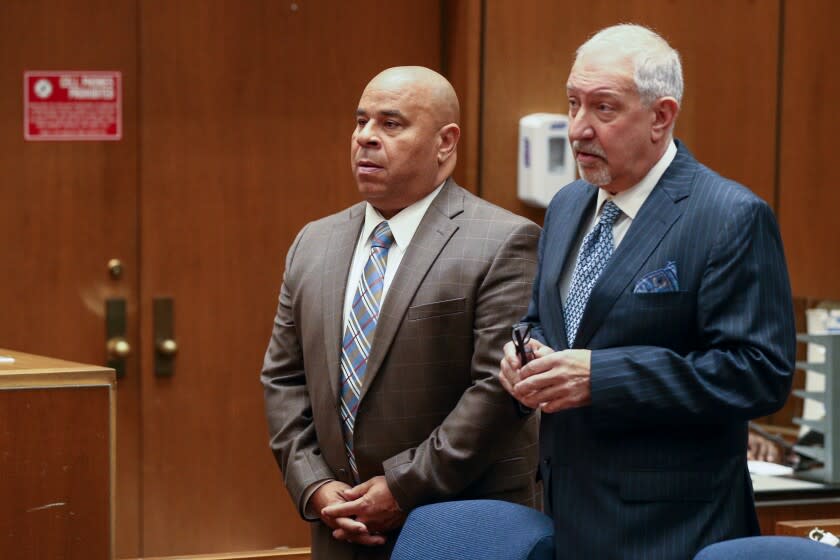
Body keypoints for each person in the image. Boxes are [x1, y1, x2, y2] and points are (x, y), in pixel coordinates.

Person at [499, 24, 796, 559]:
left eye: (603, 109)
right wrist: (524, 354)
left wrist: (602, 376)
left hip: (672, 530)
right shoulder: (568, 205)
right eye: (572, 104)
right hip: (563, 514)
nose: (577, 129)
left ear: (661, 116)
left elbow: (759, 372)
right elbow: (546, 320)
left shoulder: (729, 216)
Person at [262, 66, 540, 560]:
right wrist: (315, 487)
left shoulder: (502, 242)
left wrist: (400, 488)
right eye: (361, 121)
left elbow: (495, 393)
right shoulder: (314, 242)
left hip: (455, 525)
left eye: (391, 124)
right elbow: (284, 379)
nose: (365, 138)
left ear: (445, 142)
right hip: (340, 528)